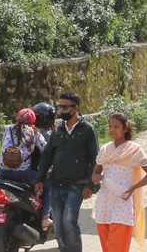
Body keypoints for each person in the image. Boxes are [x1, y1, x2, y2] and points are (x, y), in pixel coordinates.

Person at [35, 91, 99, 252]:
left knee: (68, 221)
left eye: (64, 107)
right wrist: (39, 179)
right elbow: (47, 156)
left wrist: (91, 184)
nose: (61, 110)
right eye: (59, 107)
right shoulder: (58, 131)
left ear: (76, 108)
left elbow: (95, 158)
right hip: (57, 183)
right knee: (57, 223)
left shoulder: (87, 130)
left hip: (77, 185)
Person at [93, 113, 147, 252]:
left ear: (125, 128)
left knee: (118, 247)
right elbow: (96, 172)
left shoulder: (134, 149)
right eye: (110, 126)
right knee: (107, 247)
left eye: (116, 126)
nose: (112, 130)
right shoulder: (105, 149)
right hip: (104, 202)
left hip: (123, 200)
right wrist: (96, 177)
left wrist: (133, 188)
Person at [0, 108, 45, 185]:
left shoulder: (8, 128)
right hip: (23, 173)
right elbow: (45, 150)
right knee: (44, 181)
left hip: (2, 172)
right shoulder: (34, 132)